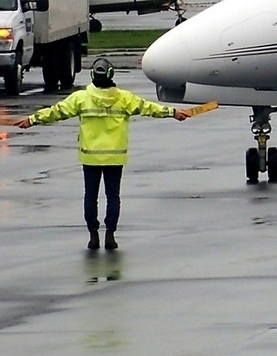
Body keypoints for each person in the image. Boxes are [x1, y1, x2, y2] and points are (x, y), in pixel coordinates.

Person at [18, 56, 188, 252]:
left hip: (90, 157)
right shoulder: (124, 98)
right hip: (115, 157)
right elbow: (148, 107)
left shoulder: (81, 98)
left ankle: (93, 234)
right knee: (112, 196)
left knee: (90, 196)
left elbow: (56, 111)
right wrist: (172, 112)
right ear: (111, 75)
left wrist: (31, 120)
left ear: (92, 75)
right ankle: (110, 234)